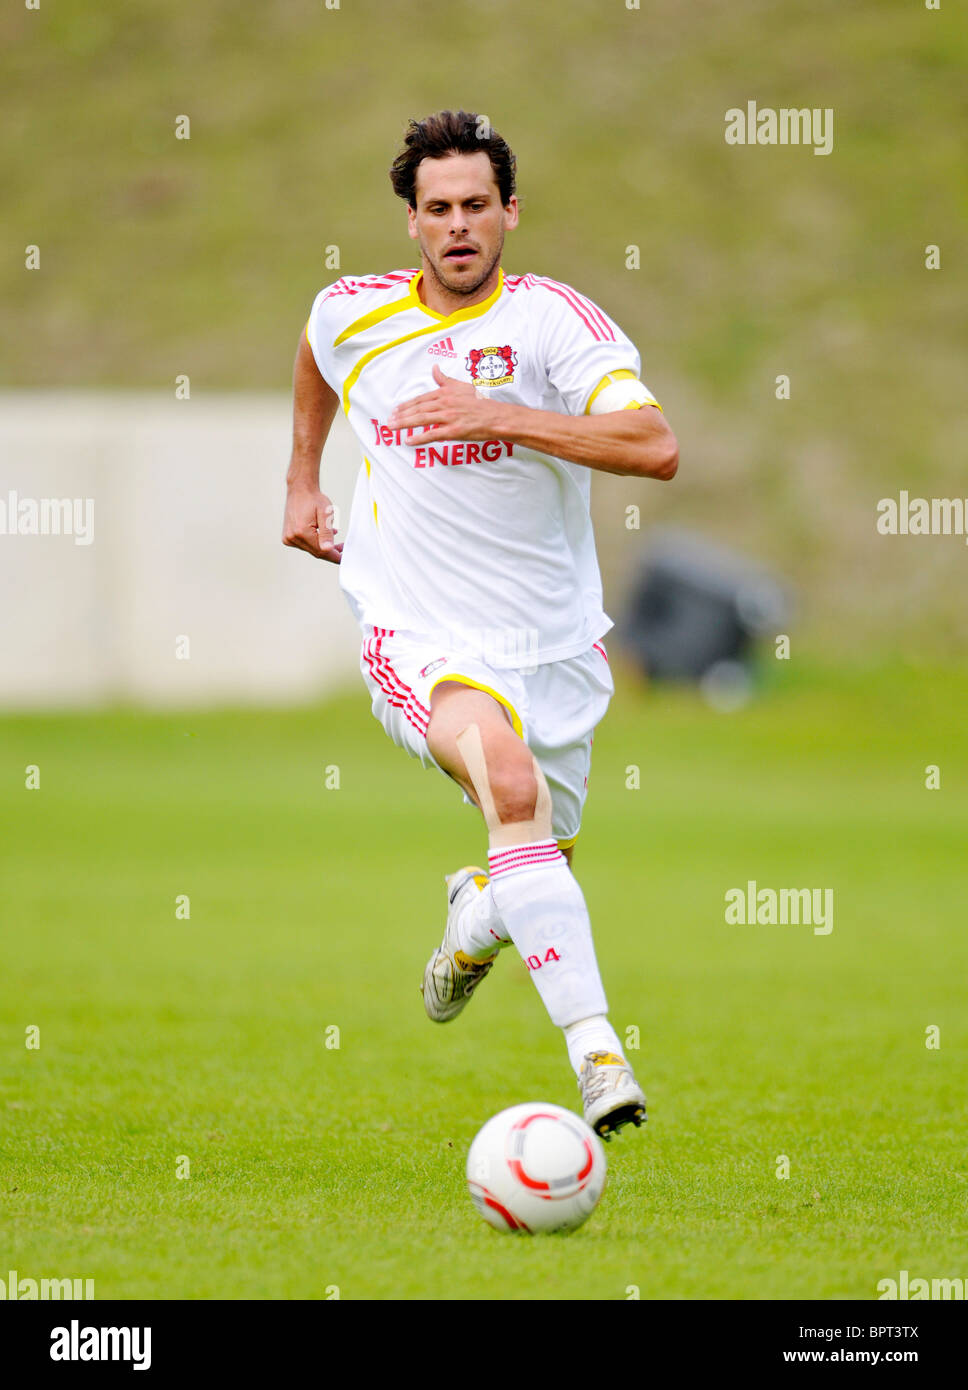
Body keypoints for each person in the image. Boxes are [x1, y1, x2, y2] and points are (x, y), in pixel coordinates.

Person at [283, 110, 678, 1138]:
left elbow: (652, 443)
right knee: (509, 787)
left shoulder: (554, 324)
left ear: (508, 211)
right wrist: (298, 485)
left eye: (474, 206)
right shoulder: (353, 313)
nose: (457, 225)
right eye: (436, 209)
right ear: (409, 222)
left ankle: (477, 912)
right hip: (416, 631)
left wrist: (498, 413)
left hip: (553, 645)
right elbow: (315, 355)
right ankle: (599, 1059)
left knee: (531, 857)